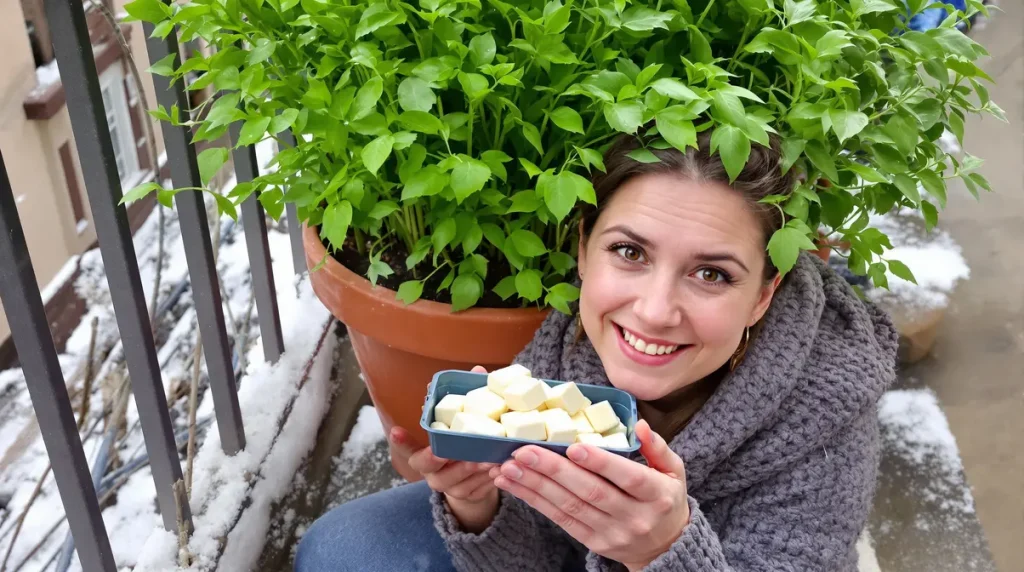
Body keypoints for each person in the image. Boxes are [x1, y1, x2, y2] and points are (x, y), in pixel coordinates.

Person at [295, 129, 898, 571]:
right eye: (630, 253)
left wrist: (663, 553)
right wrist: (478, 505)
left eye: (712, 274)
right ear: (584, 250)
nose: (655, 311)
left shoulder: (823, 421)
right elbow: (534, 560)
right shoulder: (565, 350)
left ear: (764, 295)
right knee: (343, 550)